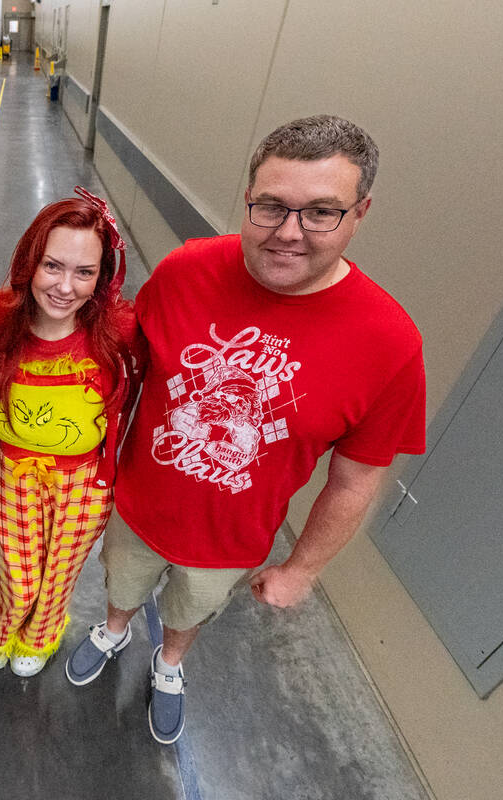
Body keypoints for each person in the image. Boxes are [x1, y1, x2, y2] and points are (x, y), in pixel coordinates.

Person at [64, 115, 426, 745]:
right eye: (270, 207)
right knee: (120, 582)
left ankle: (170, 665)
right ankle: (114, 629)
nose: (289, 233)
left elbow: (356, 479)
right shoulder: (186, 269)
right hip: (137, 506)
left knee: (189, 610)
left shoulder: (389, 343)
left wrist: (302, 569)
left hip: (231, 539)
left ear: (360, 212)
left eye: (321, 212)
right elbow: (121, 363)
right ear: (249, 198)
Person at [0, 188, 137, 677]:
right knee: (19, 578)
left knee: (57, 577)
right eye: (52, 266)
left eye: (84, 272)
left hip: (85, 483)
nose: (65, 286)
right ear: (30, 263)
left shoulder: (118, 330)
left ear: (101, 277)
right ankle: (2, 625)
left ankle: (42, 635)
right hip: (17, 474)